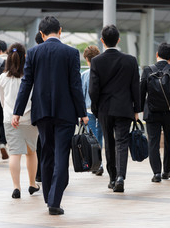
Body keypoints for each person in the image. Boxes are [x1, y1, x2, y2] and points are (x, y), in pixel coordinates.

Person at [12, 16, 88, 215]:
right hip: (66, 113)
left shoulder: (33, 52)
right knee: (62, 154)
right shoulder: (71, 53)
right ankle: (54, 200)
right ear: (60, 30)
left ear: (41, 34)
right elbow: (75, 85)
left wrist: (17, 112)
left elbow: (26, 84)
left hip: (42, 112)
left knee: (46, 152)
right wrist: (82, 112)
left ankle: (48, 197)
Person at [89, 25, 141, 192]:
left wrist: (95, 108)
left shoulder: (97, 61)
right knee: (122, 142)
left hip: (104, 108)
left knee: (108, 142)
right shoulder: (130, 60)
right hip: (124, 107)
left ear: (102, 41)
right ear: (119, 40)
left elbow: (93, 89)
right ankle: (120, 176)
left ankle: (112, 177)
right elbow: (135, 87)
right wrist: (136, 109)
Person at [0, 43, 40, 199]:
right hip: (29, 119)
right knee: (31, 152)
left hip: (10, 120)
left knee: (15, 154)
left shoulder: (3, 77)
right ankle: (32, 184)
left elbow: (2, 101)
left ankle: (16, 187)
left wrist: (10, 114)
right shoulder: (30, 77)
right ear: (25, 58)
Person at [140, 42, 170, 182]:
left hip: (152, 112)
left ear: (157, 54)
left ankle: (156, 173)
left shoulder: (147, 70)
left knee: (153, 142)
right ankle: (167, 171)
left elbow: (141, 92)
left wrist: (139, 110)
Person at [81, 45, 104, 176]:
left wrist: (81, 113)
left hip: (88, 111)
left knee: (92, 137)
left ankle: (97, 163)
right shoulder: (103, 73)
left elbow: (81, 94)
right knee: (99, 136)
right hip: (102, 110)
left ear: (87, 59)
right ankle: (99, 163)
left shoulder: (84, 75)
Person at [34, 31, 44, 183]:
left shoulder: (34, 54)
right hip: (61, 109)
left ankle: (39, 173)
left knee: (40, 141)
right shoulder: (65, 52)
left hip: (39, 107)